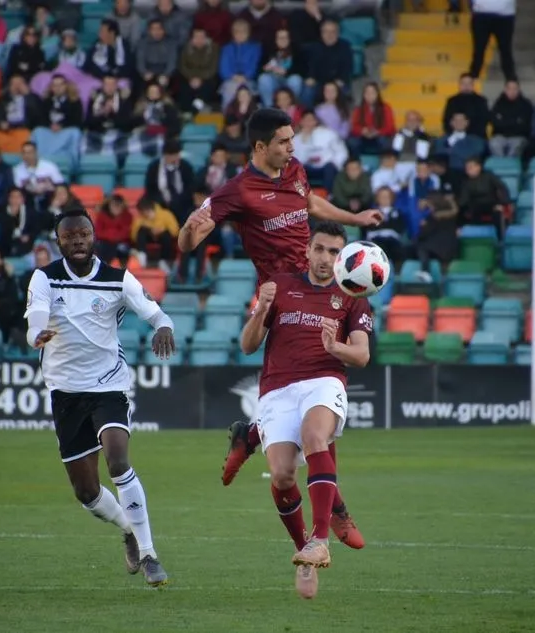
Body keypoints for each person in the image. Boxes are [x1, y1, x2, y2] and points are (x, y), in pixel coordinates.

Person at [176, 107, 383, 545]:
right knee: (306, 396)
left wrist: (354, 219)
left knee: (323, 396)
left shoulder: (294, 170)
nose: (292, 147)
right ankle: (335, 512)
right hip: (282, 291)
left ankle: (252, 434)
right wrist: (190, 234)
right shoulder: (238, 190)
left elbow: (309, 203)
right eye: (284, 141)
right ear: (259, 147)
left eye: (292, 139)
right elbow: (192, 233)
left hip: (323, 280)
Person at [24, 205, 175, 588]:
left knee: (118, 460)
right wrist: (36, 336)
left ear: (94, 238)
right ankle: (126, 528)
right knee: (86, 491)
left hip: (108, 385)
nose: (77, 240)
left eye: (84, 234)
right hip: (65, 393)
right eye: (69, 235)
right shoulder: (44, 278)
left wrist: (163, 327)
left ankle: (149, 554)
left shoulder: (116, 279)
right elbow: (36, 319)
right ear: (57, 241)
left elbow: (156, 313)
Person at [239, 221, 373, 599]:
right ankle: (306, 552)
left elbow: (361, 354)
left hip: (324, 379)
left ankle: (320, 539)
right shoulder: (279, 286)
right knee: (282, 475)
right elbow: (248, 346)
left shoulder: (354, 295)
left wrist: (337, 349)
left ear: (343, 257)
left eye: (334, 252)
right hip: (277, 389)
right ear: (307, 251)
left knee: (315, 435)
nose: (326, 258)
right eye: (320, 249)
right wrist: (261, 309)